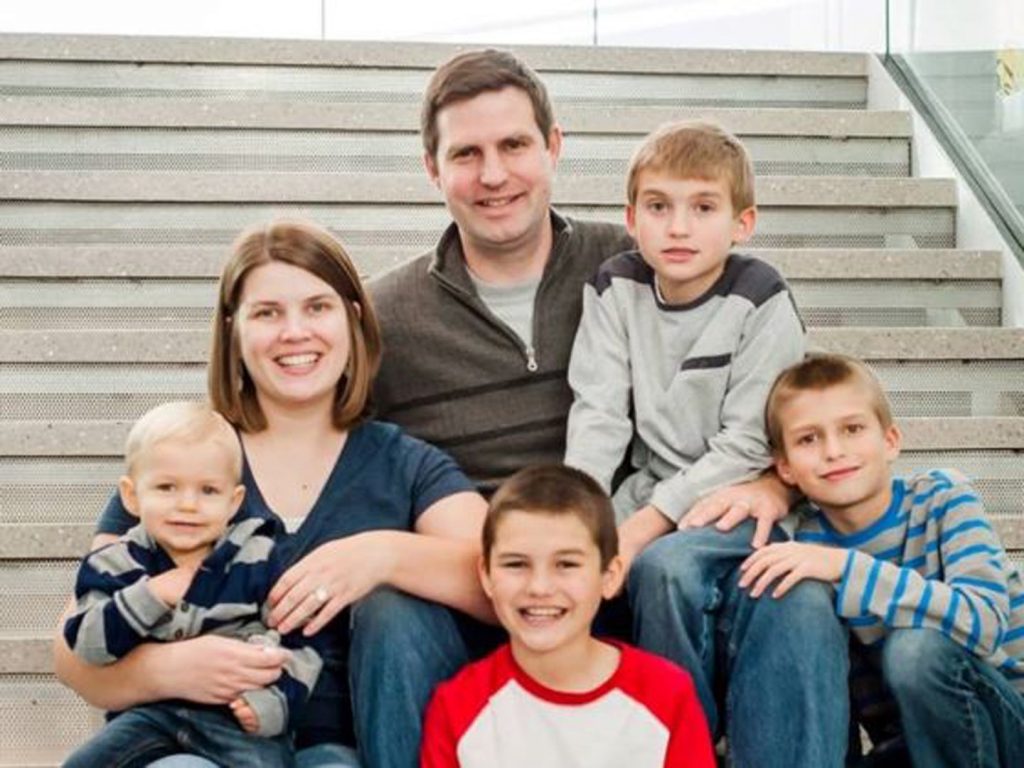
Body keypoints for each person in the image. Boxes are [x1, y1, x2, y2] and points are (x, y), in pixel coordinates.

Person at [371, 51, 846, 767]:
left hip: (633, 553)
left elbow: (796, 408)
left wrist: (774, 483)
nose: (494, 174)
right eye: (466, 153)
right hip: (491, 581)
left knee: (794, 594)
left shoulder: (648, 260)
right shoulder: (387, 316)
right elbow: (332, 450)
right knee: (387, 609)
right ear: (432, 168)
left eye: (514, 145)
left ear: (553, 146)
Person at [54, 219, 492, 768]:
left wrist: (384, 555)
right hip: (190, 744)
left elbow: (507, 582)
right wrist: (175, 669)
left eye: (317, 307)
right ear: (233, 330)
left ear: (354, 318)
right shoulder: (185, 463)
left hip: (345, 750)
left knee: (395, 606)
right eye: (267, 313)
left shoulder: (404, 465)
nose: (294, 332)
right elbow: (72, 653)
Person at [563, 120, 849, 766]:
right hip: (647, 488)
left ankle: (691, 741)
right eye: (658, 207)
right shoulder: (614, 286)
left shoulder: (761, 297)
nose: (679, 228)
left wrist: (645, 527)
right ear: (631, 218)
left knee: (661, 565)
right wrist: (579, 513)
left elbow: (749, 440)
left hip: (738, 498)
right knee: (590, 568)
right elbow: (599, 412)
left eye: (703, 208)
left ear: (742, 223)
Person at [742, 353, 1024, 767]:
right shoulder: (805, 545)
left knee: (915, 650)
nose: (834, 451)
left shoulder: (943, 498)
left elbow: (983, 623)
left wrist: (847, 569)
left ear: (890, 441)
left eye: (853, 429)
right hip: (910, 744)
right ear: (784, 468)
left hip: (1006, 727)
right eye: (808, 439)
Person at [62, 401, 321, 767]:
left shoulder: (258, 558)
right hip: (148, 714)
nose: (188, 505)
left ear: (234, 502)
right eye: (166, 487)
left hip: (233, 719)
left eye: (208, 491)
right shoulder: (113, 563)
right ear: (132, 496)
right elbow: (88, 646)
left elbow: (301, 645)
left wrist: (269, 705)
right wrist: (151, 595)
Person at [421, 465, 715, 768]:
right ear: (486, 575)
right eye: (516, 564)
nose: (539, 587)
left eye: (566, 565)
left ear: (609, 576)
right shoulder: (457, 707)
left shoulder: (667, 695)